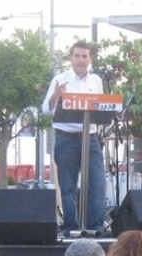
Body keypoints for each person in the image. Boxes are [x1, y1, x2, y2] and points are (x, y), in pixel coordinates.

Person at [42, 40, 106, 237]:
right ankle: (72, 228)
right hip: (66, 138)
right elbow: (46, 110)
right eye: (77, 56)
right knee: (68, 187)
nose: (80, 59)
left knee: (98, 184)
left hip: (91, 137)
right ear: (71, 58)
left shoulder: (96, 81)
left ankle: (96, 228)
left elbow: (101, 108)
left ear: (90, 58)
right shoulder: (60, 79)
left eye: (84, 56)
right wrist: (56, 95)